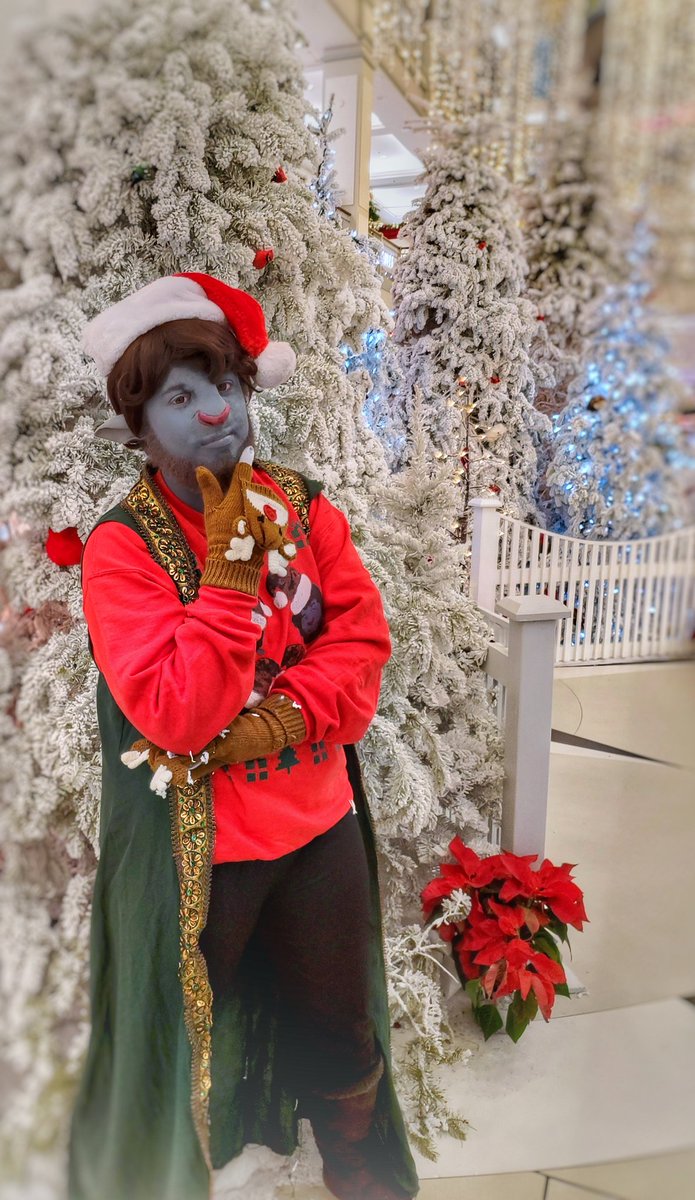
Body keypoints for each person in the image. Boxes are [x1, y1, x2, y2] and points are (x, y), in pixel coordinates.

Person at [67, 272, 420, 1200]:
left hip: (317, 826)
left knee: (339, 1027)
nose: (215, 412)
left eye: (223, 385)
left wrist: (281, 718)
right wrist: (228, 573)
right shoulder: (123, 547)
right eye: (180, 398)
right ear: (139, 426)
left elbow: (360, 644)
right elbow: (176, 713)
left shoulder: (303, 508)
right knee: (180, 1042)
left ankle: (358, 1169)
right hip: (203, 854)